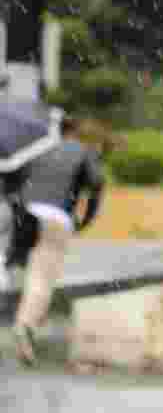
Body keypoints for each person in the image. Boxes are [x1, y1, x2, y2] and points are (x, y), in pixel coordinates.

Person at [8, 115, 105, 366]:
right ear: (74, 131)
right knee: (41, 278)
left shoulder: (35, 149)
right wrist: (85, 220)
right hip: (54, 218)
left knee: (19, 269)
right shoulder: (83, 152)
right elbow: (97, 185)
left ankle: (20, 301)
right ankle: (25, 326)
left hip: (23, 215)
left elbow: (13, 181)